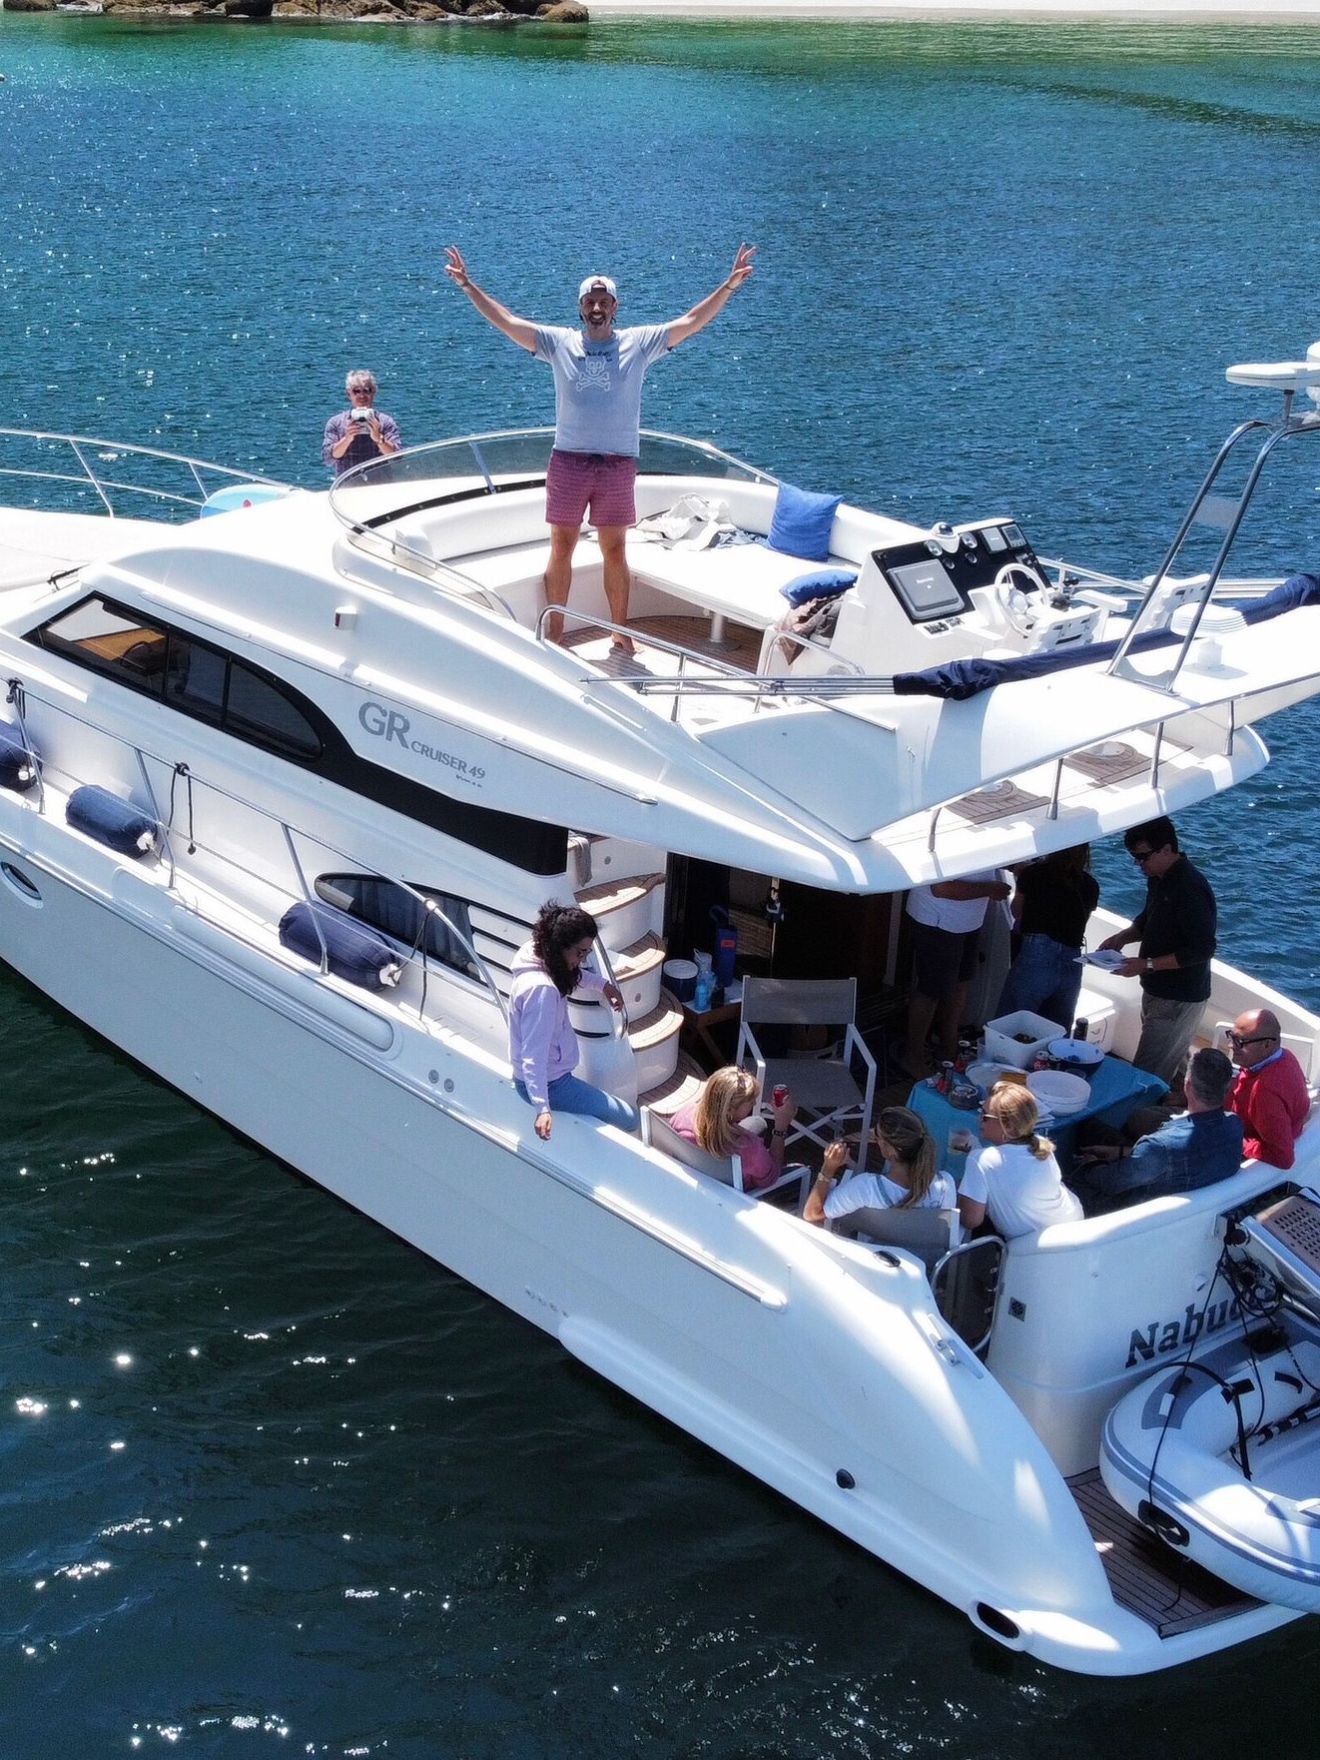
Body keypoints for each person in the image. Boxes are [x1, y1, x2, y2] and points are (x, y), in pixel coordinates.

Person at [444, 243, 756, 653]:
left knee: (615, 549)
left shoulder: (640, 343)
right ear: (580, 306)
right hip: (569, 462)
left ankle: (619, 631)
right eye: (590, 301)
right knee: (562, 547)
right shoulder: (558, 344)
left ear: (615, 306)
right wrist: (469, 286)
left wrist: (728, 286)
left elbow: (692, 321)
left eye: (604, 301)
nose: (597, 307)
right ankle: (555, 630)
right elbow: (506, 321)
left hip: (617, 465)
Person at [1096, 818, 1217, 1088]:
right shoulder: (1159, 879)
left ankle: (1137, 1122)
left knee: (1145, 1075)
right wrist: (1123, 937)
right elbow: (1150, 918)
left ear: (1166, 849)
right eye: (1134, 858)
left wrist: (1147, 964)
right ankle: (1174, 1105)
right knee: (1170, 1063)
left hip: (1178, 997)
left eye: (1143, 857)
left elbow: (1203, 949)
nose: (1139, 864)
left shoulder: (1190, 889)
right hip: (1157, 991)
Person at [508, 901, 638, 1140]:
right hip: (549, 1084)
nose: (582, 960)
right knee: (630, 1118)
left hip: (553, 1075)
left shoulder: (536, 954)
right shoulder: (542, 991)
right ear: (559, 947)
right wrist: (542, 1109)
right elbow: (533, 1056)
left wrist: (604, 986)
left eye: (587, 953)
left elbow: (569, 973)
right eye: (580, 953)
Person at [1072, 1047, 1243, 1212]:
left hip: (1132, 1208)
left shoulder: (1159, 1146)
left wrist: (1092, 1164)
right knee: (1089, 1127)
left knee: (1071, 1178)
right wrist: (1122, 1152)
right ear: (1227, 1089)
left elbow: (1110, 1183)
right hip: (1180, 1191)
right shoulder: (1235, 1126)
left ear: (1187, 1085)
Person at [904, 871, 1011, 1077]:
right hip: (937, 919)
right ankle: (913, 1057)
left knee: (962, 983)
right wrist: (990, 889)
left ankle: (948, 1048)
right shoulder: (939, 838)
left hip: (969, 919)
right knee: (930, 990)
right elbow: (941, 889)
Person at [671, 1066, 825, 1195]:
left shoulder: (684, 1114)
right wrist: (781, 1126)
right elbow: (771, 1177)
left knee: (758, 1122)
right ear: (729, 1110)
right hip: (737, 1196)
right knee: (800, 1172)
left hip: (703, 1176)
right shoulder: (749, 1147)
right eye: (750, 1101)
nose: (754, 1102)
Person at [958, 1082, 1082, 1239]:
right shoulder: (1040, 1143)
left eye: (985, 1116)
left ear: (1009, 1127)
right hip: (1073, 1224)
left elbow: (970, 1221)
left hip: (1037, 1246)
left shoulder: (979, 1160)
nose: (979, 1119)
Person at [996, 845, 1099, 1029]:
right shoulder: (1091, 885)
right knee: (1055, 1032)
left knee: (1011, 1026)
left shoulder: (1033, 874)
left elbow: (1016, 911)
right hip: (1072, 961)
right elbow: (1082, 921)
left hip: (1037, 956)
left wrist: (1021, 878)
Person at [804, 1105, 956, 1227]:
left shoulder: (865, 1187)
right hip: (924, 1264)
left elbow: (812, 1214)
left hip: (876, 1259)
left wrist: (827, 1169)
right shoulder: (945, 1185)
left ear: (889, 1149)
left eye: (877, 1137)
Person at [1226, 1007, 1311, 1170]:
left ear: (1266, 1045)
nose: (1231, 1045)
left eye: (1239, 1041)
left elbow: (1282, 1157)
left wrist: (1236, 1140)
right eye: (1231, 1036)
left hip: (1237, 1135)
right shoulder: (1284, 1056)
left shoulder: (1265, 1093)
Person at [322, 369, 403, 477]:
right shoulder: (336, 423)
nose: (362, 396)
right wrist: (347, 439)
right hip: (348, 486)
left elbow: (397, 457)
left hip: (380, 486)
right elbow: (328, 458)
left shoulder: (385, 422)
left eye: (367, 390)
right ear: (348, 394)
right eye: (356, 391)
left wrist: (379, 439)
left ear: (374, 392)